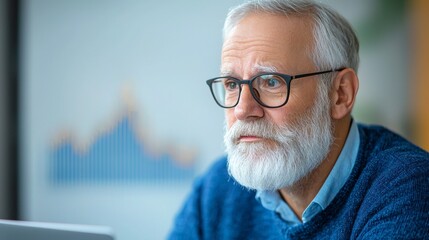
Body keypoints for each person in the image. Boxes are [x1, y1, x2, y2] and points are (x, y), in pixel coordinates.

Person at [168, 0, 429, 239]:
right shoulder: (215, 191)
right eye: (232, 84)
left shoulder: (409, 186)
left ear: (340, 94)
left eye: (271, 82)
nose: (242, 110)